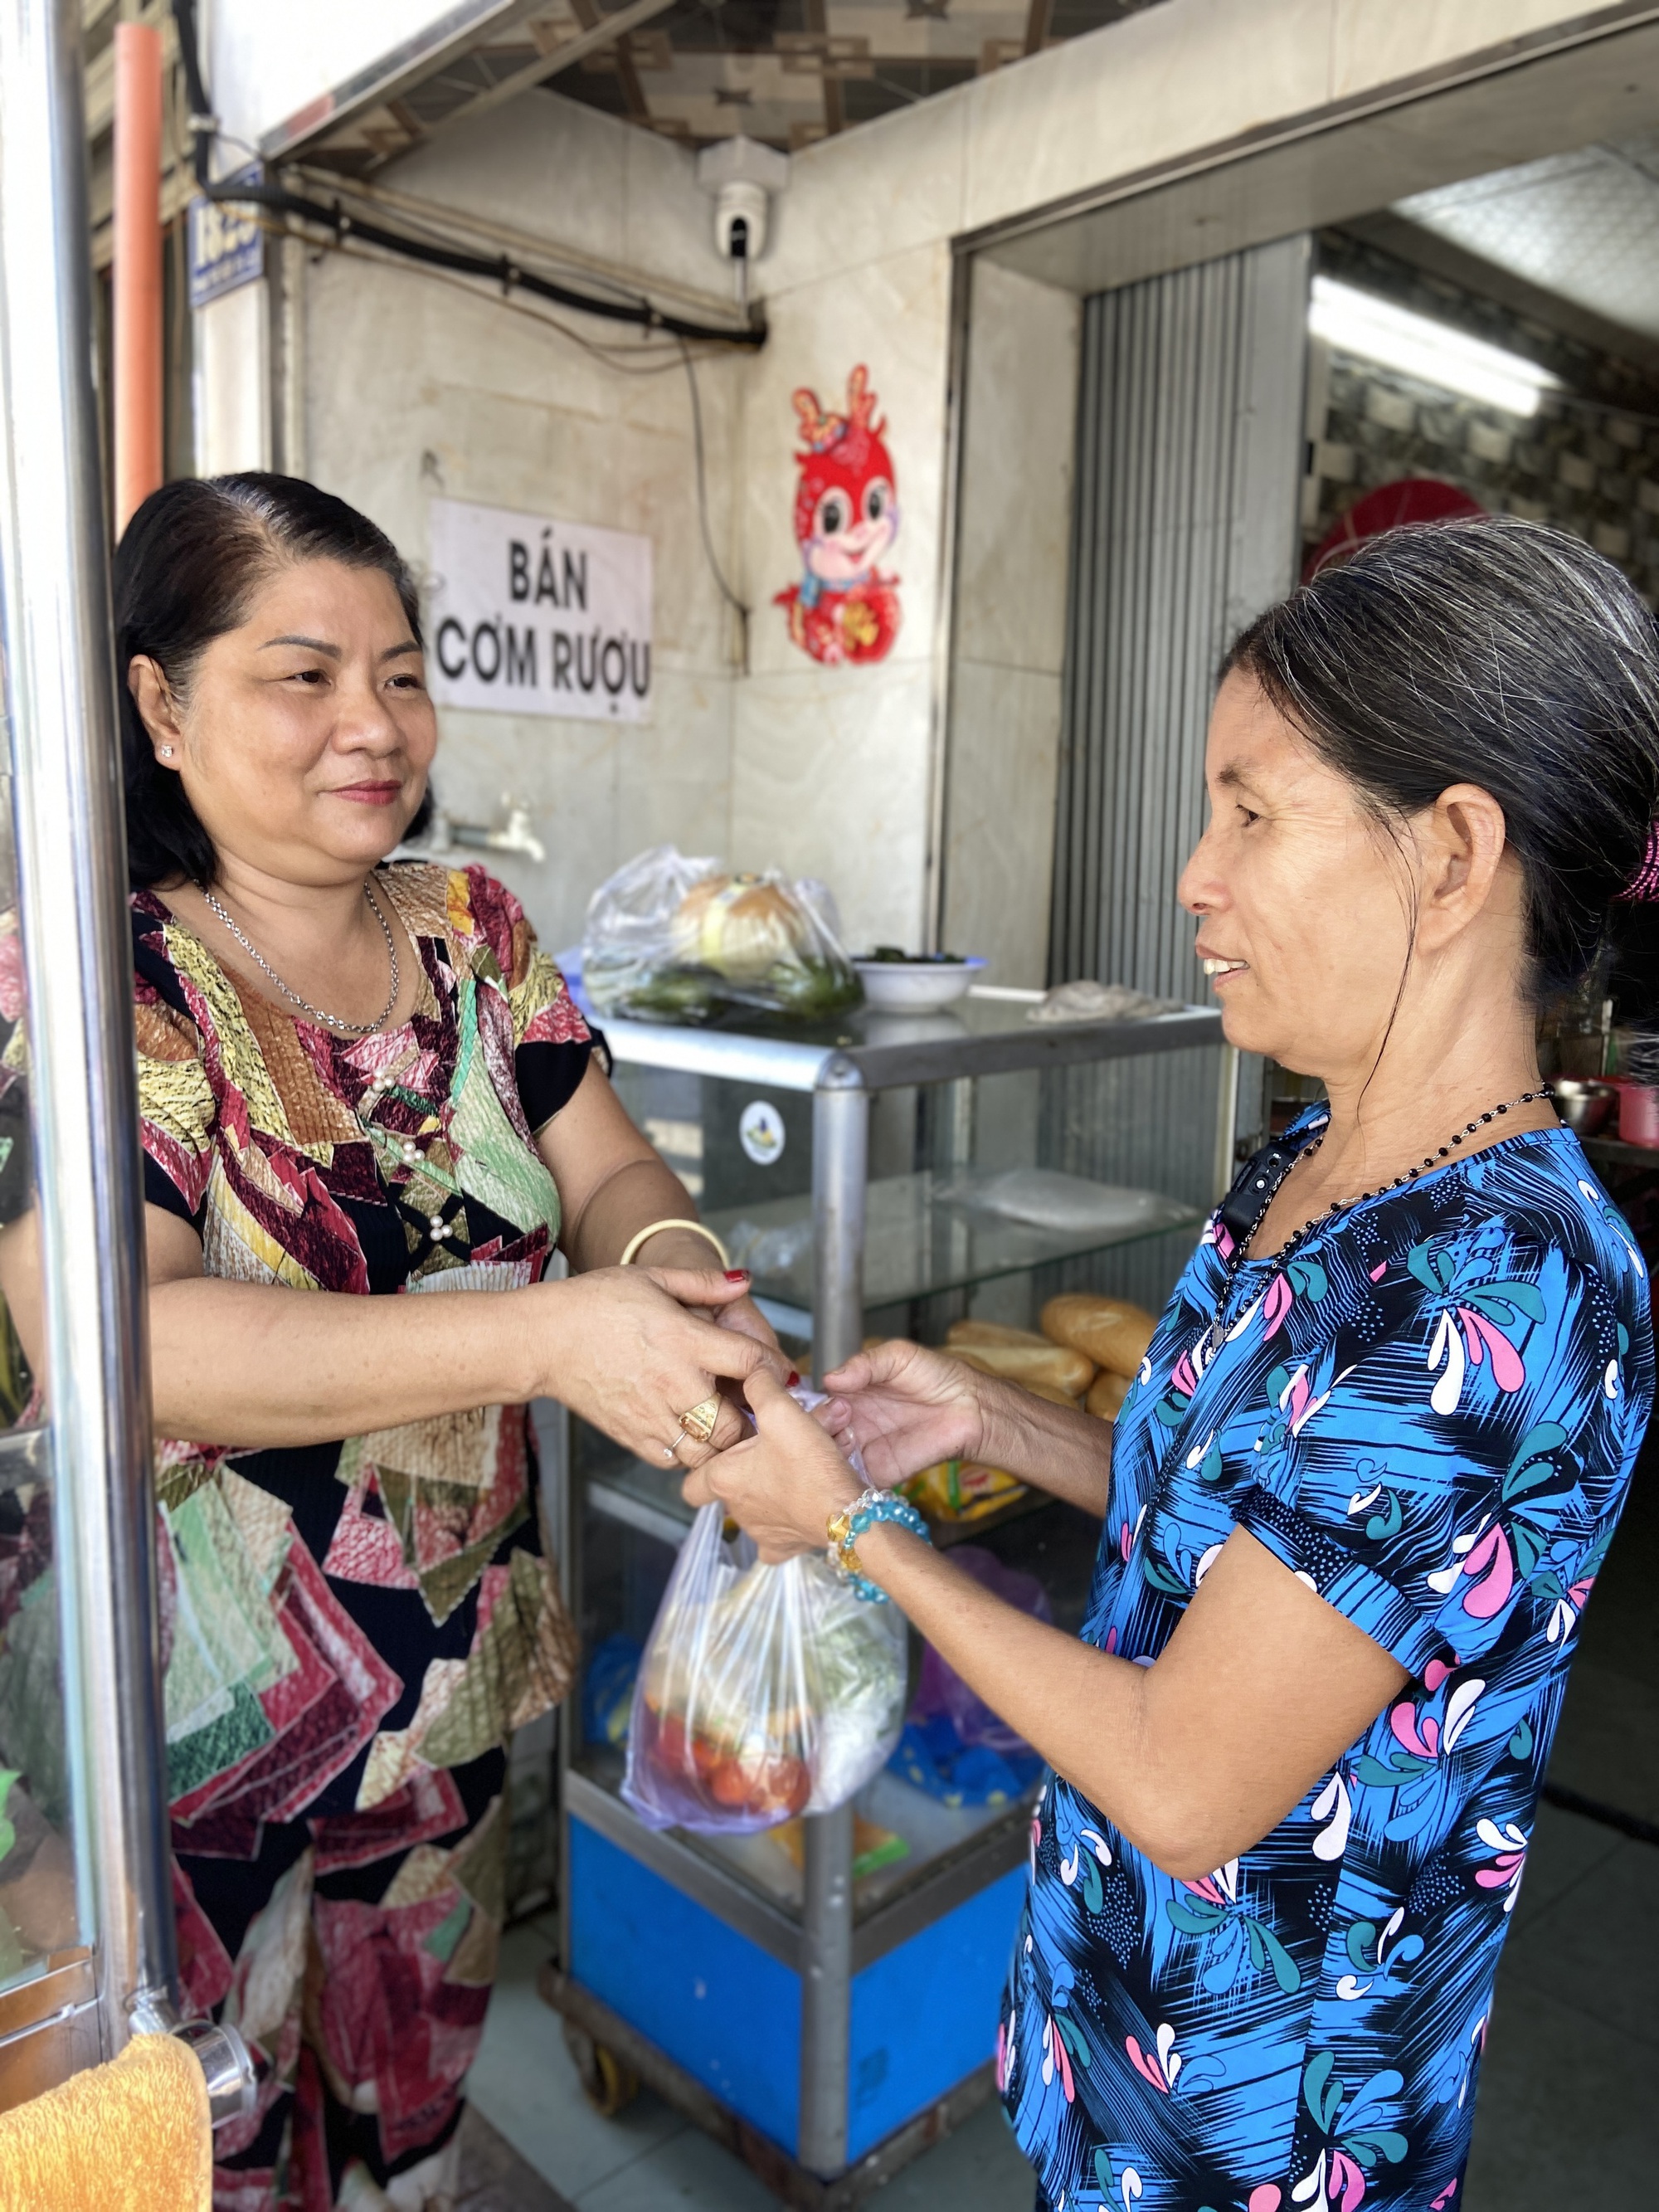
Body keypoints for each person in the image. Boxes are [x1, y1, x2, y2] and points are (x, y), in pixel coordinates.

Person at [689, 518, 1657, 2212]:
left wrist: (845, 1523)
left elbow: (1191, 1780)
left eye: (1251, 811)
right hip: (1114, 2011)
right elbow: (1247, 1518)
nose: (1194, 874)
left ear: (1448, 856)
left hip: (1266, 2123)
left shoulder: (1503, 1286)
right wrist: (990, 1416)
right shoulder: (1312, 1157)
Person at [0, 472, 784, 2212]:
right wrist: (553, 1340)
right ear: (160, 701)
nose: (376, 723)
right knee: (207, 2136)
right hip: (184, 1736)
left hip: (446, 1689)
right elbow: (118, 1347)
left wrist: (675, 1282)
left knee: (412, 2105)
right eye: (306, 674)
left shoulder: (473, 933)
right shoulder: (97, 976)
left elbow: (610, 1165)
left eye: (407, 672)